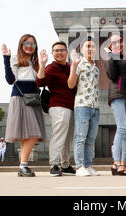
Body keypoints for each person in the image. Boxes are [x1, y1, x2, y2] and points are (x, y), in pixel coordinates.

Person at [2, 34, 47, 177]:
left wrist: (44, 64)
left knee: (28, 135)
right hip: (20, 98)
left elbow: (40, 81)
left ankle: (23, 166)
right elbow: (10, 80)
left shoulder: (35, 63)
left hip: (33, 99)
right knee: (33, 134)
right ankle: (23, 165)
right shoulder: (15, 59)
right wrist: (6, 58)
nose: (29, 46)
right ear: (21, 45)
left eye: (32, 44)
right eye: (26, 43)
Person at [36, 41, 77, 177]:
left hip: (72, 107)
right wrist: (42, 65)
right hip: (58, 105)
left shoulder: (71, 67)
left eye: (61, 50)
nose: (59, 52)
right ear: (52, 53)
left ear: (66, 52)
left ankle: (65, 164)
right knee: (59, 135)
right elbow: (40, 82)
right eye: (56, 50)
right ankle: (54, 164)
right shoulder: (51, 67)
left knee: (68, 138)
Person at [68, 37, 100, 176]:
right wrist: (74, 66)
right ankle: (80, 166)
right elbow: (70, 84)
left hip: (95, 106)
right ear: (81, 49)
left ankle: (88, 165)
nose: (90, 48)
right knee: (80, 137)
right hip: (82, 105)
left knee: (91, 138)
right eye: (87, 46)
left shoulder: (96, 68)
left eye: (93, 46)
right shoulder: (79, 63)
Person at [104, 34, 126, 176]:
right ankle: (116, 162)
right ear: (110, 45)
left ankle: (123, 163)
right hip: (117, 95)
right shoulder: (110, 57)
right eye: (114, 42)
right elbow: (112, 74)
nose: (117, 44)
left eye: (120, 41)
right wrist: (111, 56)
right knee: (122, 127)